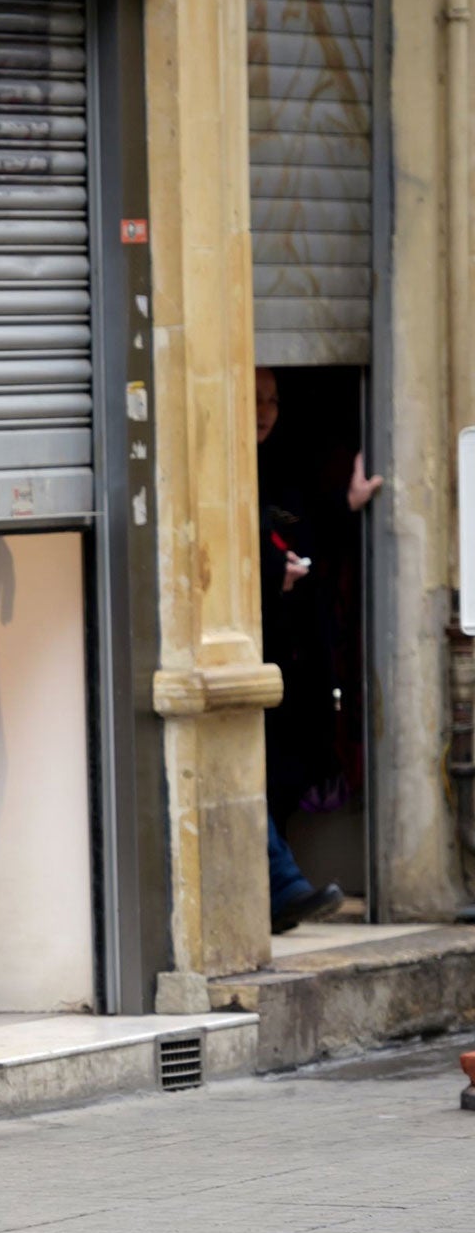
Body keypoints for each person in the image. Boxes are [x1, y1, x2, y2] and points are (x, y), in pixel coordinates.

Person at [255, 366, 380, 931]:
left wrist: (348, 503)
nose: (264, 411)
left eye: (273, 400)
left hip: (293, 662)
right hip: (252, 658)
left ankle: (275, 898)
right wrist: (268, 572)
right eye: (254, 399)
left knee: (283, 774)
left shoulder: (283, 467)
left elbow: (307, 525)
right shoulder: (219, 468)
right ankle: (281, 890)